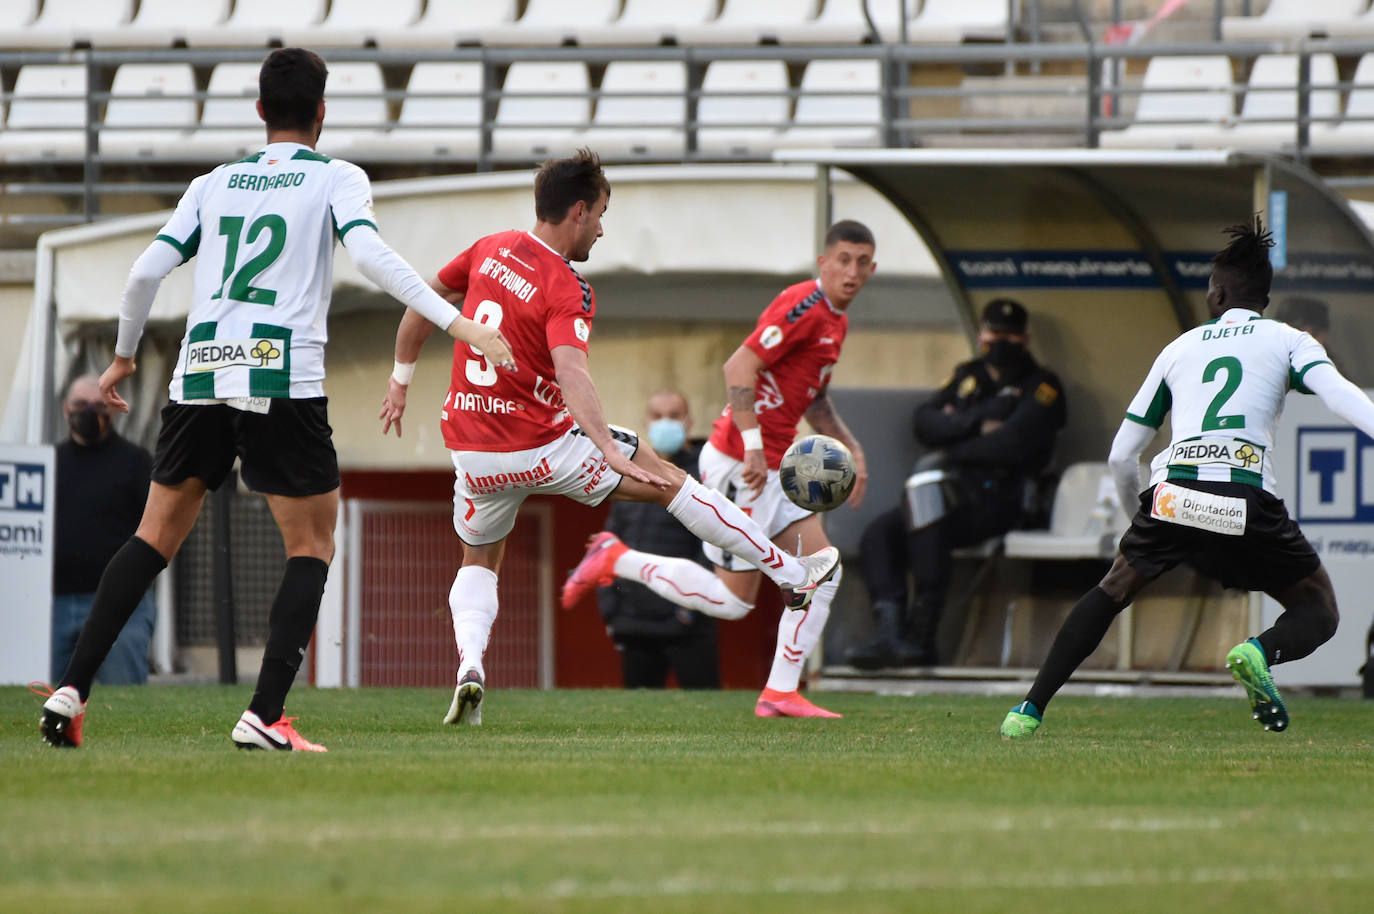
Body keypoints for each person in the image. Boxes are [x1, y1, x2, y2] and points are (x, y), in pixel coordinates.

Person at [38, 47, 513, 751]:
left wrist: (123, 358)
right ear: (322, 113)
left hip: (198, 376)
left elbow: (142, 274)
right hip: (279, 376)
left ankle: (70, 691)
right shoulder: (334, 177)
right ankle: (263, 715)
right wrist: (458, 320)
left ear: (260, 111)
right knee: (313, 543)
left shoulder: (214, 182)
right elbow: (371, 254)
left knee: (151, 538)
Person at [379, 149, 840, 726]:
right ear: (577, 210)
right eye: (600, 213)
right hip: (547, 447)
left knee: (478, 558)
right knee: (668, 478)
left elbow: (421, 304)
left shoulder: (488, 247)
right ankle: (792, 574)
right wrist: (602, 445)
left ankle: (470, 666)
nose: (601, 226)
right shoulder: (567, 285)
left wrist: (400, 381)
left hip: (473, 453)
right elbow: (572, 372)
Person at [1000, 220, 1370, 739]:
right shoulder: (1289, 340)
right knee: (1319, 608)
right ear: (1264, 297)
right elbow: (1339, 395)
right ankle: (1256, 651)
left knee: (1115, 585)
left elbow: (1122, 453)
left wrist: (1141, 515)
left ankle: (1027, 711)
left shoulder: (1179, 349)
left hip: (1173, 496)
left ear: (1217, 294)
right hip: (1244, 497)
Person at [560, 220, 876, 718]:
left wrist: (852, 448)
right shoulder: (804, 304)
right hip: (741, 461)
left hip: (776, 465)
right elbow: (738, 367)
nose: (851, 271)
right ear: (824, 263)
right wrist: (752, 446)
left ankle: (780, 692)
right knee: (734, 603)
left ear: (872, 268)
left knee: (824, 568)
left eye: (861, 262)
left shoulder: (836, 322)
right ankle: (616, 559)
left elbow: (813, 398)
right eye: (843, 260)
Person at [847, 299, 1066, 669]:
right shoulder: (969, 377)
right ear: (981, 334)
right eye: (994, 333)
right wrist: (978, 422)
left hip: (1003, 498)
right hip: (952, 491)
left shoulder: (1042, 385)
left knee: (929, 523)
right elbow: (924, 422)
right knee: (880, 535)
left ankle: (921, 639)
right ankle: (890, 634)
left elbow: (1012, 445)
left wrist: (954, 437)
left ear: (1025, 339)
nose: (1001, 341)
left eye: (1010, 335)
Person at [593, 389, 720, 690]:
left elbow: (715, 545)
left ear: (688, 421)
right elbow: (610, 543)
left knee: (706, 713)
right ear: (646, 422)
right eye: (658, 416)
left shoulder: (706, 472)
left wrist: (691, 608)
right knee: (637, 721)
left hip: (687, 623)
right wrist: (611, 609)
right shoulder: (631, 471)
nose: (666, 423)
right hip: (634, 624)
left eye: (674, 416)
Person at [52, 375, 156, 685]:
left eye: (98, 406)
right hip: (55, 601)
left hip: (122, 604)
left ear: (112, 410)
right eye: (80, 405)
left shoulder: (137, 462)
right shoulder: (51, 462)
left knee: (125, 699)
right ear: (65, 409)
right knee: (45, 696)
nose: (88, 412)